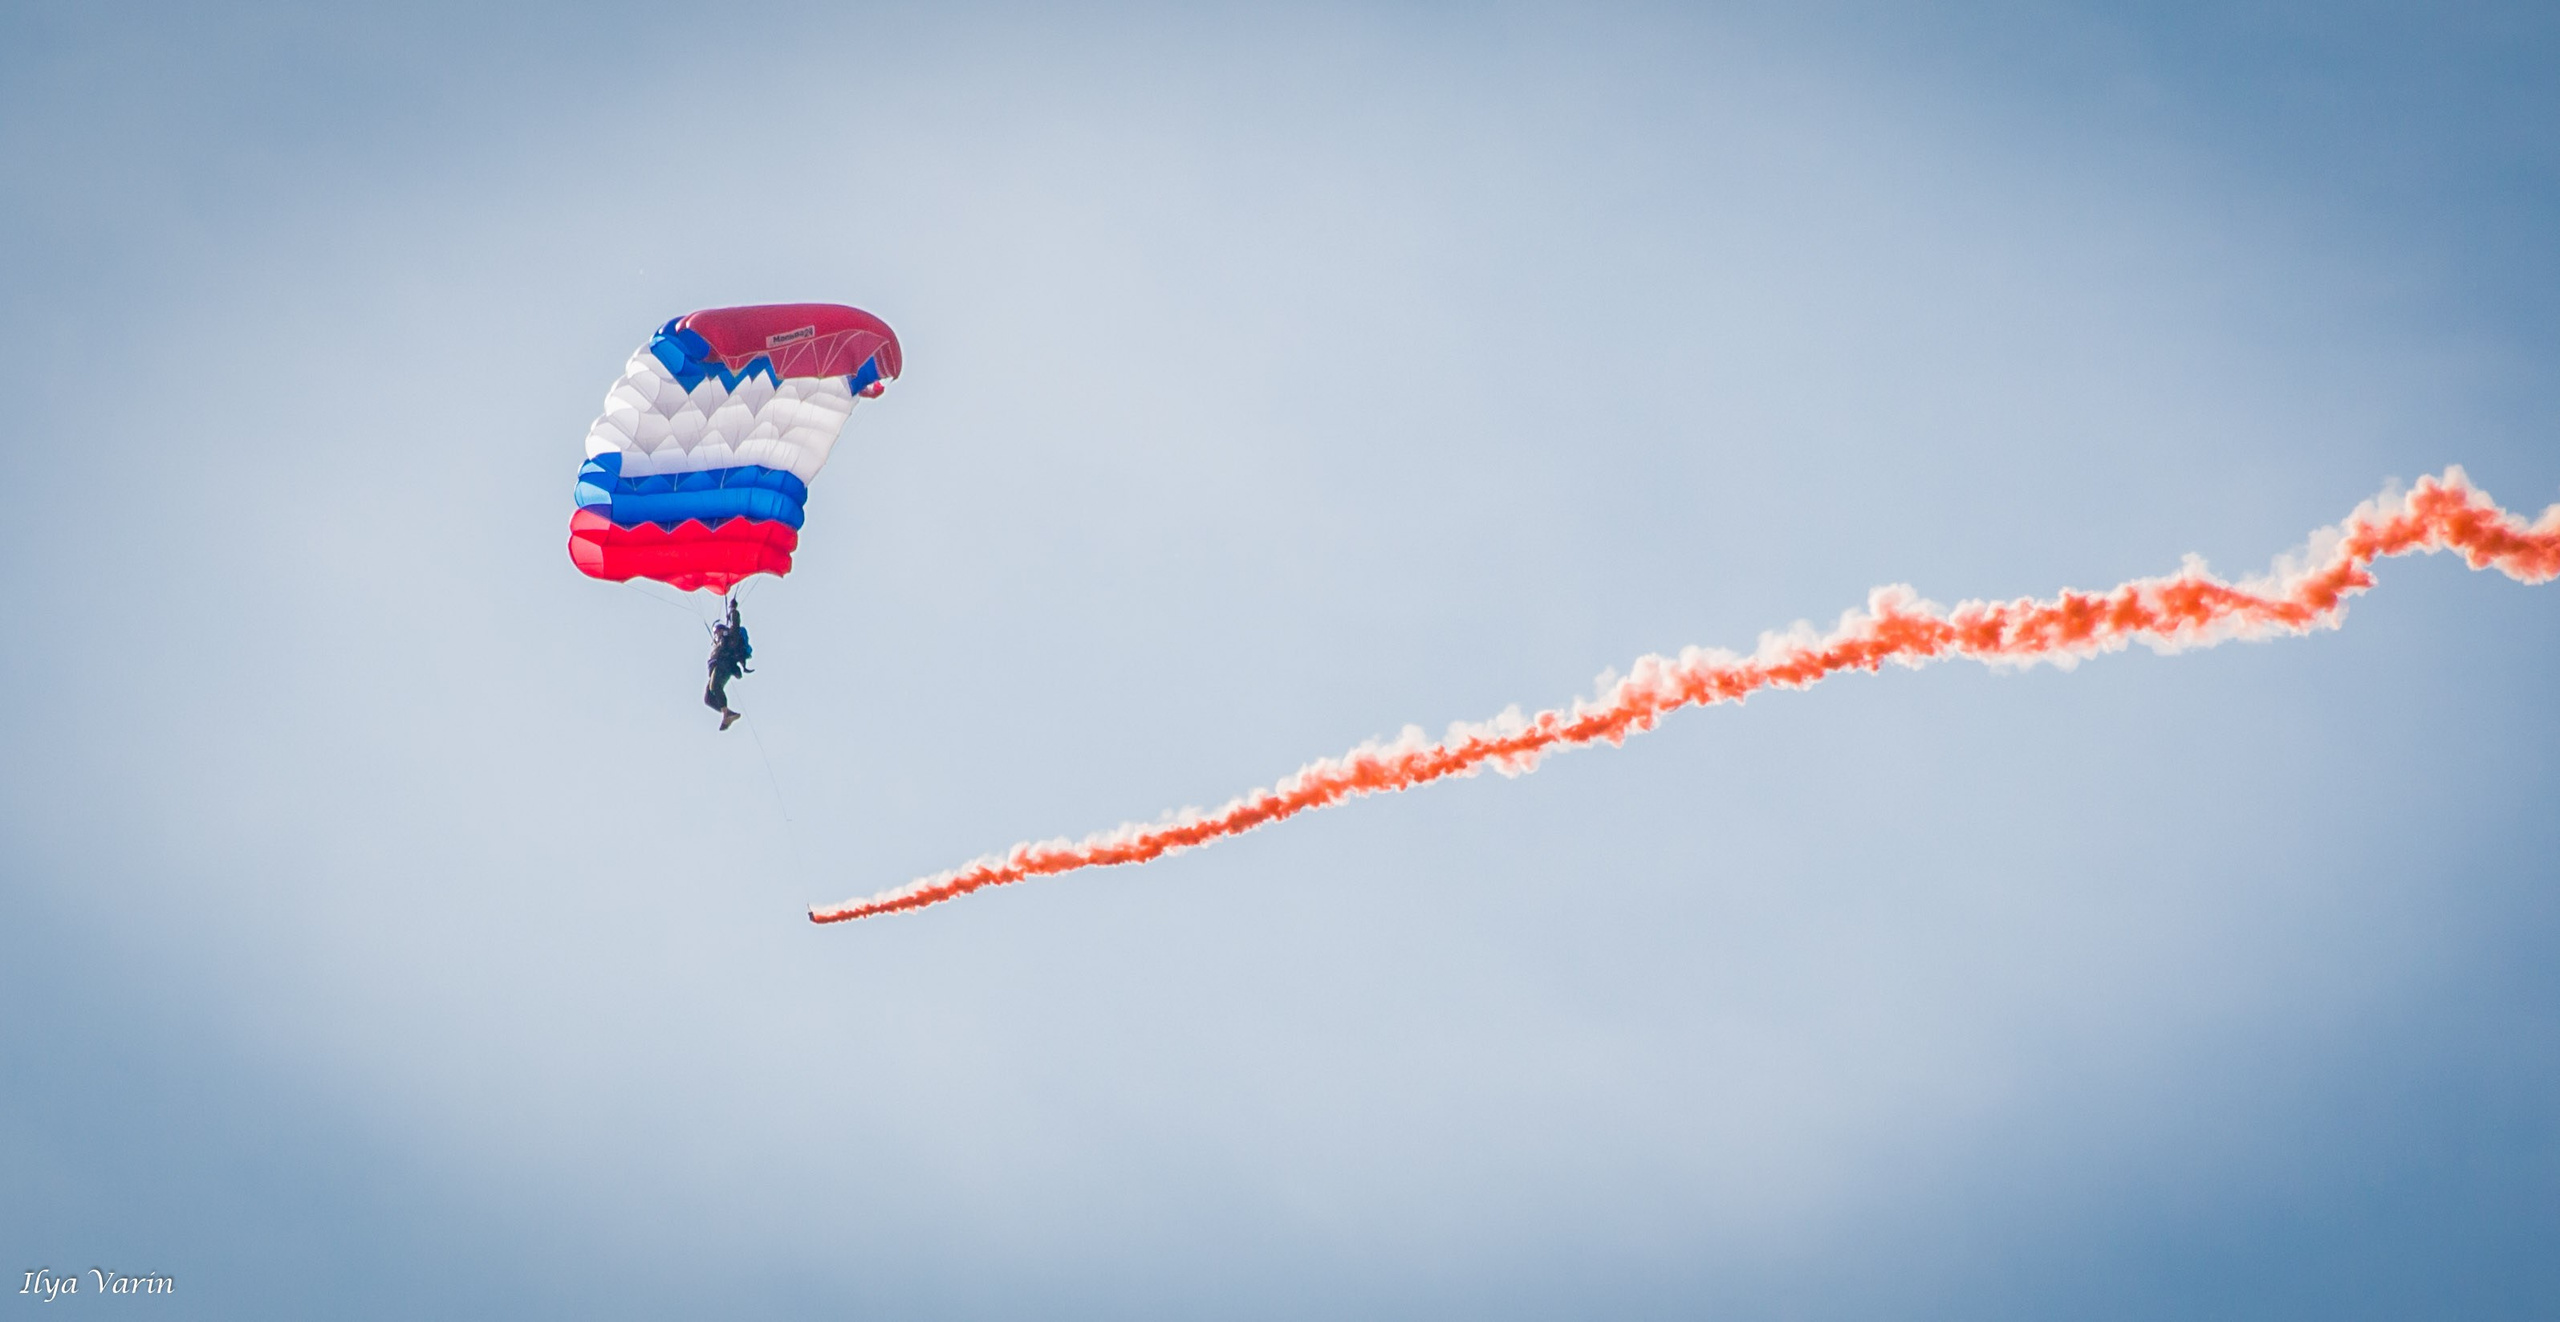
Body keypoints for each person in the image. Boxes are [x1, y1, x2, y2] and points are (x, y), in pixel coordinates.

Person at [704, 597, 753, 730]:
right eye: (715, 633)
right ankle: (728, 713)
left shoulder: (731, 637)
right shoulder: (718, 643)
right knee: (708, 699)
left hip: (724, 665)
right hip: (718, 666)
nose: (717, 634)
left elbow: (735, 624)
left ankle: (726, 714)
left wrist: (733, 609)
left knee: (714, 686)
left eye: (718, 631)